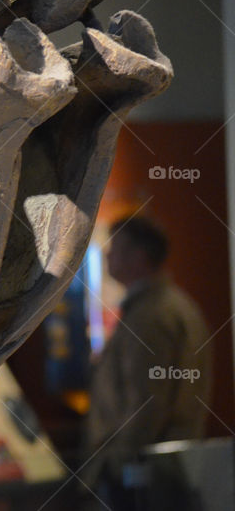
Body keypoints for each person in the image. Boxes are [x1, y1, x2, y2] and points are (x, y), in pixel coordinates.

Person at [84, 215, 212, 509]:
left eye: (115, 246)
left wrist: (118, 463)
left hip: (144, 480)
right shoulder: (174, 306)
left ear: (138, 256)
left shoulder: (150, 317)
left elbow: (147, 403)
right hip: (166, 471)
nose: (107, 254)